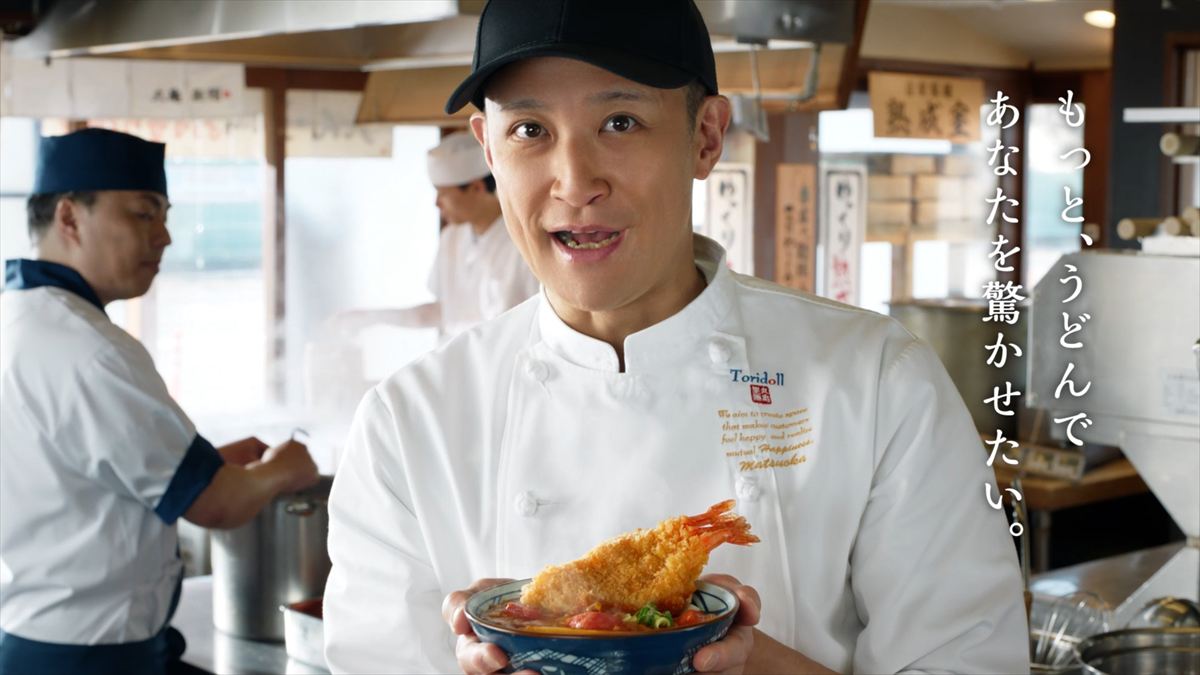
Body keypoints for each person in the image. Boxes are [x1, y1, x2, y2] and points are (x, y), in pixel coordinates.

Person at [322, 0, 1029, 672]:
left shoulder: (875, 379)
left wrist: (759, 667)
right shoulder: (408, 422)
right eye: (530, 131)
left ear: (706, 137)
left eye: (620, 121)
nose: (575, 182)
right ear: (488, 149)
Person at [0, 128, 320, 675]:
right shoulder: (92, 349)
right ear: (70, 217)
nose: (165, 236)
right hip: (91, 657)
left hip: (33, 638)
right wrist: (285, 468)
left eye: (165, 215)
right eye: (143, 213)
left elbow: (75, 471)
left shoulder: (21, 317)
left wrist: (209, 460)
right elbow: (217, 506)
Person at [339, 131, 538, 341]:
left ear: (476, 188)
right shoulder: (452, 237)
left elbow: (532, 321)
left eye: (443, 193)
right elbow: (447, 314)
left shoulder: (523, 241)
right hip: (457, 354)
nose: (437, 203)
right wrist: (371, 318)